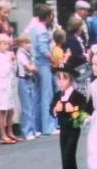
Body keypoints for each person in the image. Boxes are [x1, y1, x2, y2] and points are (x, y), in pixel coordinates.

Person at [50, 65, 87, 169]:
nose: (61, 81)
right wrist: (55, 109)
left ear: (71, 80)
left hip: (73, 129)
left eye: (64, 78)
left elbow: (83, 115)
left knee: (68, 155)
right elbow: (51, 110)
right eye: (59, 78)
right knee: (66, 157)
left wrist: (72, 110)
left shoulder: (78, 96)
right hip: (63, 129)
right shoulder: (57, 95)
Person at [29, 4, 60, 135]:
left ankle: (37, 126)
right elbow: (43, 49)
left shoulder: (34, 28)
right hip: (44, 64)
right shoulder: (42, 30)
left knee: (37, 96)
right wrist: (52, 58)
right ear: (47, 16)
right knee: (47, 95)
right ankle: (48, 126)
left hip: (36, 64)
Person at [0, 33, 22, 144]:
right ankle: (3, 135)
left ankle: (10, 132)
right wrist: (9, 62)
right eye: (4, 44)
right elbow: (2, 72)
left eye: (7, 44)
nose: (6, 46)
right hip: (1, 86)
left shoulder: (7, 55)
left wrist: (13, 61)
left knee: (11, 110)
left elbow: (13, 71)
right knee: (3, 111)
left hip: (9, 86)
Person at [15, 35, 40, 140]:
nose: (29, 45)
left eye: (29, 43)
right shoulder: (20, 54)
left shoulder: (28, 53)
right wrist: (33, 68)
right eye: (26, 43)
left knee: (32, 105)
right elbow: (29, 67)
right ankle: (27, 131)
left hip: (30, 79)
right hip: (23, 79)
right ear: (21, 44)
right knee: (26, 107)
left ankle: (33, 129)